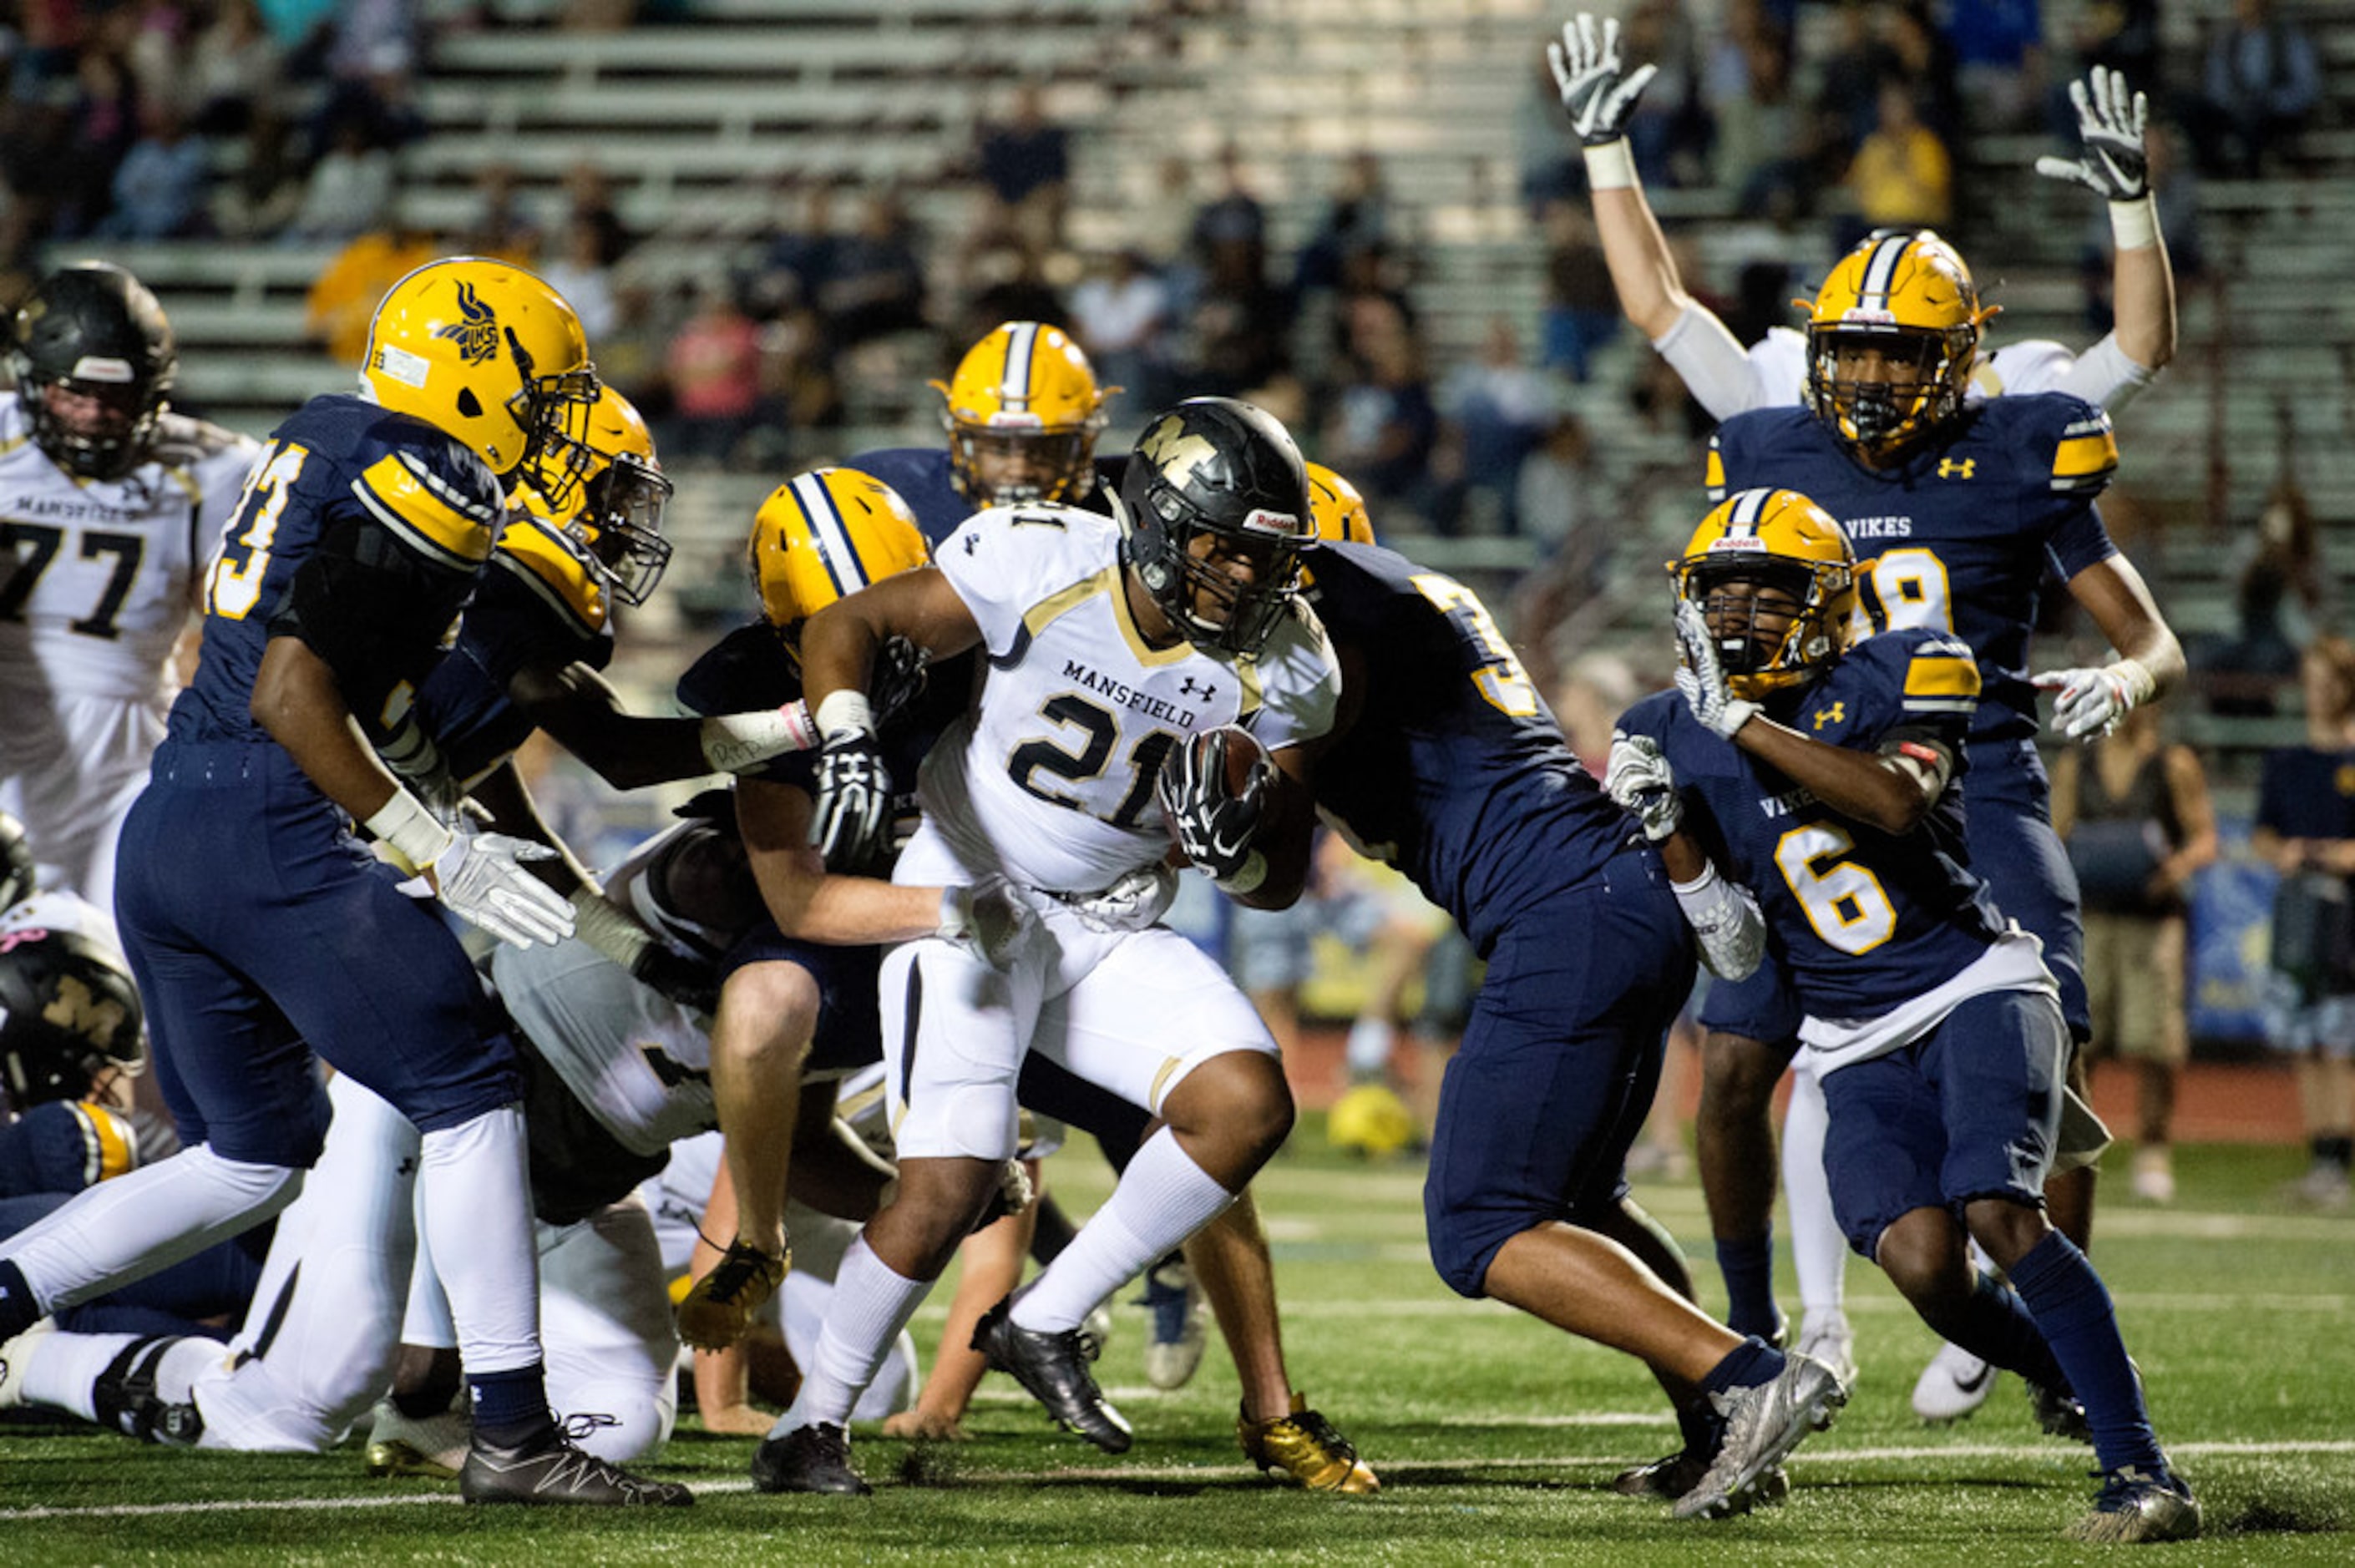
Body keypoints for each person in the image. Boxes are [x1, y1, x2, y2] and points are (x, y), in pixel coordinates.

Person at [0, 256, 689, 1508]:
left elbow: (368, 706)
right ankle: (519, 1434)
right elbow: (292, 693)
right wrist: (438, 847)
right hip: (275, 812)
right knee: (472, 1088)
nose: (546, 426)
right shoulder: (422, 469)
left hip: (174, 823)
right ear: (476, 382)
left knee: (257, 1154)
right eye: (537, 397)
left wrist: (484, 837)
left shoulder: (327, 434)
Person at [752, 397, 1342, 1497]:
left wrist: (1237, 842)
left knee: (1246, 1104)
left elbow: (1275, 885)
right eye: (1229, 549)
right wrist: (842, 738)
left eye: (1270, 557)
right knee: (948, 1183)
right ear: (1162, 525)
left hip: (1111, 920)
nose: (1251, 580)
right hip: (970, 888)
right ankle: (809, 1425)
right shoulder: (1042, 557)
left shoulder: (1291, 664)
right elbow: (852, 625)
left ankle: (1047, 1315)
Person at [1609, 485, 2199, 1544]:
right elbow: (1739, 950)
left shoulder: (1909, 662)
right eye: (1723, 592)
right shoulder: (1664, 730)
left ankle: (2144, 1474)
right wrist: (1671, 835)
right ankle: (2060, 1366)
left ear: (1829, 602)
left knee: (1999, 1215)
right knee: (1927, 1267)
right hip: (1847, 1037)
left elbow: (1893, 800)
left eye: (1770, 591)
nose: (1741, 615)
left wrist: (1741, 725)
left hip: (1972, 986)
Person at [1284, 469, 1844, 1521]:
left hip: (1565, 911)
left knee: (1479, 1226)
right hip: (1603, 895)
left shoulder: (1357, 609)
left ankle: (1751, 1382)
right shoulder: (1396, 618)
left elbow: (1272, 846)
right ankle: (1720, 1420)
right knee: (1583, 1203)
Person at [1550, 16, 2178, 421]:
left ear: (1959, 353)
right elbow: (1656, 307)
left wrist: (2131, 211)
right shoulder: (1794, 391)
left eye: (1900, 353)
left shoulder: (2003, 400)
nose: (1871, 376)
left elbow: (2139, 348)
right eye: (1854, 350)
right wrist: (1605, 152)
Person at [0, 263, 261, 919]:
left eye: (114, 398)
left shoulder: (214, 468)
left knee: (121, 981)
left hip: (128, 761)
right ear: (32, 381)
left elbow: (245, 635)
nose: (93, 415)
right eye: (73, 393)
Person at [2052, 705, 2217, 1204]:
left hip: (2152, 918)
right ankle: (2079, 1151)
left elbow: (2204, 838)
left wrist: (2172, 870)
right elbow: (2057, 833)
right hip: (2093, 917)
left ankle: (2153, 1149)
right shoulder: (2076, 763)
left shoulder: (2172, 763)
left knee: (2156, 1040)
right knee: (2083, 1037)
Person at [2251, 636, 2355, 1209]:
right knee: (2306, 1039)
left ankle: (2339, 1162)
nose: (2319, 693)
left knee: (2340, 1040)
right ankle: (2321, 1158)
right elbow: (2264, 834)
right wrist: (2284, 852)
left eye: (2329, 681)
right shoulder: (2287, 761)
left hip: (2346, 914)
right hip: (2298, 911)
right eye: (2312, 681)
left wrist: (2339, 856)